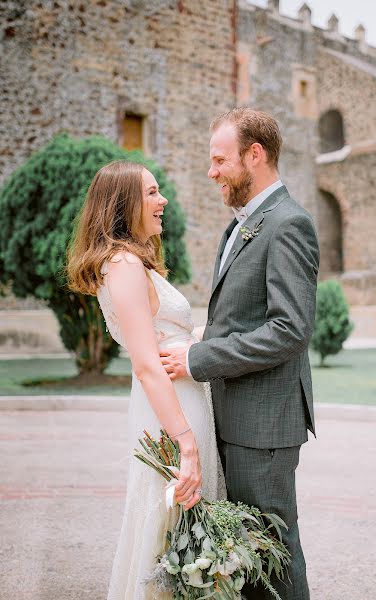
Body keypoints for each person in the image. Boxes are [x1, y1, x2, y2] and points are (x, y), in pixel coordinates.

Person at [161, 108, 320, 600]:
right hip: (236, 416)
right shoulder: (239, 227)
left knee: (273, 555)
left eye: (219, 160)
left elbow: (289, 329)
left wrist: (198, 359)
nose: (212, 172)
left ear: (255, 155)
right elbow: (243, 317)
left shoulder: (288, 223)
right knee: (248, 555)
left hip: (264, 424)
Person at [67, 160, 225, 600]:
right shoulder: (121, 265)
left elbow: (169, 338)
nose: (163, 201)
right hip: (168, 413)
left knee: (187, 528)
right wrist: (186, 442)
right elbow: (144, 363)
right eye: (152, 193)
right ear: (124, 204)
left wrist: (217, 340)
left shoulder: (137, 262)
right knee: (168, 527)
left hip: (182, 400)